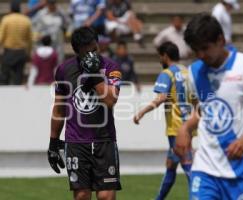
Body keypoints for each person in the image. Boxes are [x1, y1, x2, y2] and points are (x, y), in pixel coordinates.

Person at [175, 13, 243, 200]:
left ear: (221, 40)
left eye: (205, 48)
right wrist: (186, 127)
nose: (201, 55)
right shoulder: (194, 72)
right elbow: (204, 110)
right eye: (196, 50)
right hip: (205, 169)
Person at [47, 27, 122, 200]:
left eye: (95, 49)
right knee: (81, 196)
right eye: (87, 52)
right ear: (77, 50)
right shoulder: (64, 70)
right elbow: (59, 109)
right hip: (76, 142)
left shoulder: (110, 67)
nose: (92, 55)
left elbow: (111, 101)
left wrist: (94, 74)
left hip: (105, 140)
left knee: (106, 197)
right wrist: (53, 142)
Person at [133, 42, 194, 200]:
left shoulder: (167, 74)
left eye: (160, 56)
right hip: (188, 125)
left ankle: (201, 196)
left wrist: (142, 112)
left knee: (188, 165)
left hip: (176, 127)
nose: (159, 60)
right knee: (171, 165)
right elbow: (196, 99)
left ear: (165, 56)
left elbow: (161, 98)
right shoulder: (188, 72)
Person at [0, 0, 32, 85]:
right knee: (18, 78)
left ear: (10, 9)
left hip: (8, 52)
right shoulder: (26, 20)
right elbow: (30, 40)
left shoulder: (6, 20)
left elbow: (1, 37)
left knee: (4, 78)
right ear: (19, 9)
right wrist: (29, 53)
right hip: (21, 53)